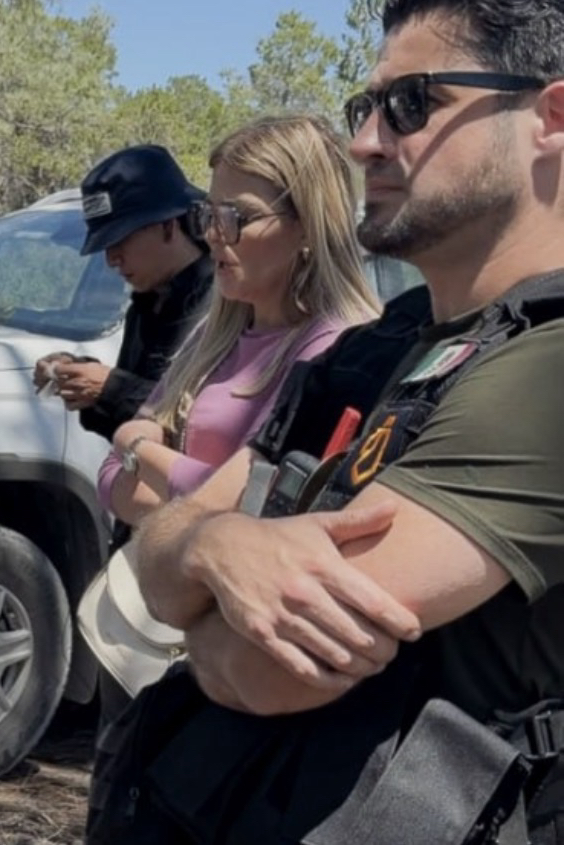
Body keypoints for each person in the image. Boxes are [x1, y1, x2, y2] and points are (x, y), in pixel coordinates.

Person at [92, 0, 564, 844]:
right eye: (366, 105)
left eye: (410, 104)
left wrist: (195, 573)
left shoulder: (545, 368)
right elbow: (155, 558)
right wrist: (219, 548)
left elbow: (276, 666)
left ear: (550, 118)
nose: (363, 142)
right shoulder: (381, 342)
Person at [85, 115, 377, 723]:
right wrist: (186, 497)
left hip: (233, 666)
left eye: (236, 217)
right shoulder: (213, 337)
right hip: (140, 640)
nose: (215, 235)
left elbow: (250, 508)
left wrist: (148, 450)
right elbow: (110, 479)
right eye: (208, 216)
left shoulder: (336, 351)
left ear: (307, 225)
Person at [34, 145, 213, 445]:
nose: (111, 259)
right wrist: (80, 376)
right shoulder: (146, 301)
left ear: (168, 225)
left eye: (120, 240)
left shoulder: (222, 304)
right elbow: (132, 412)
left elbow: (201, 429)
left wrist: (110, 389)